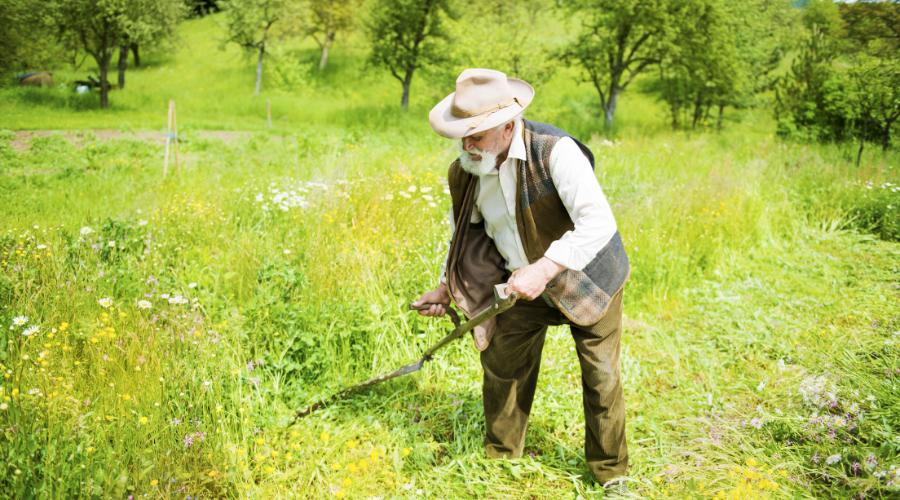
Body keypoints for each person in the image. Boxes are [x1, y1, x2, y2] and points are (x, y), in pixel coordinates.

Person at [412, 68, 631, 492]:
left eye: (476, 134)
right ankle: (500, 459)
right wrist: (446, 285)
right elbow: (464, 236)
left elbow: (598, 222)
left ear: (508, 125)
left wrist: (546, 267)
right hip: (518, 284)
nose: (466, 144)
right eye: (462, 133)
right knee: (501, 365)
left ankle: (611, 476)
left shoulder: (555, 151)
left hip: (588, 277)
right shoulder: (465, 170)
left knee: (601, 376)